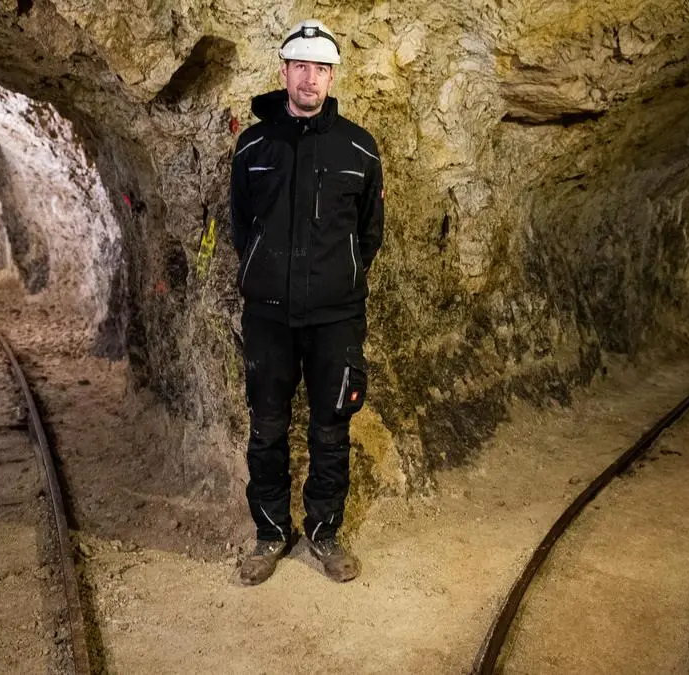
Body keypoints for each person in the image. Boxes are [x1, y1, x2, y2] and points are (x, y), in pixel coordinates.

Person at [229, 19, 384, 585]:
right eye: (300, 66)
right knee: (267, 427)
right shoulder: (253, 145)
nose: (310, 78)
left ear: (332, 76)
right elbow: (241, 226)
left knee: (331, 427)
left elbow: (369, 233)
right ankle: (271, 533)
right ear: (283, 72)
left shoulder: (359, 148)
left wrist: (335, 280)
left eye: (320, 68)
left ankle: (324, 532)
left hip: (335, 318)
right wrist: (267, 273)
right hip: (268, 316)